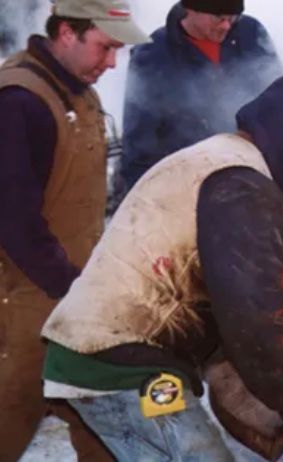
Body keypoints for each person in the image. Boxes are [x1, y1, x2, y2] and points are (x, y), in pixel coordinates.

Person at [40, 74, 283, 460]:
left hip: (80, 357)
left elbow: (222, 314)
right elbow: (259, 317)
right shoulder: (243, 189)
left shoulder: (216, 158)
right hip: (126, 370)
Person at [0, 1, 149, 460]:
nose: (111, 63)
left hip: (76, 291)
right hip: (23, 300)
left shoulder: (82, 93)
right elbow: (14, 220)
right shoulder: (18, 102)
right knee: (10, 416)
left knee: (105, 420)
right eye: (104, 47)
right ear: (67, 32)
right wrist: (71, 288)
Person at [118, 0, 283, 191]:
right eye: (218, 17)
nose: (226, 26)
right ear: (190, 8)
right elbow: (138, 144)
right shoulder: (152, 56)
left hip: (251, 178)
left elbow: (279, 101)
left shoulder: (251, 35)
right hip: (187, 185)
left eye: (232, 17)